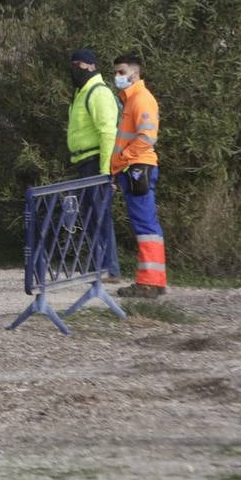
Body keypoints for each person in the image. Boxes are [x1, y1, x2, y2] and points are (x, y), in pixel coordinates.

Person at [110, 54, 168, 299]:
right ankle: (151, 281)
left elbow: (147, 137)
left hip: (137, 168)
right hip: (132, 169)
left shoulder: (141, 99)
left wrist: (122, 159)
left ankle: (150, 283)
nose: (117, 76)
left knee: (146, 226)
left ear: (135, 73)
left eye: (121, 72)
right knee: (144, 225)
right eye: (116, 72)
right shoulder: (130, 100)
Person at [67, 48, 119, 178]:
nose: (74, 69)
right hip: (83, 163)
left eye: (78, 64)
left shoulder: (98, 92)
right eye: (72, 65)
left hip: (95, 163)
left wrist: (105, 171)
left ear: (91, 66)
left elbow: (108, 133)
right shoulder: (81, 93)